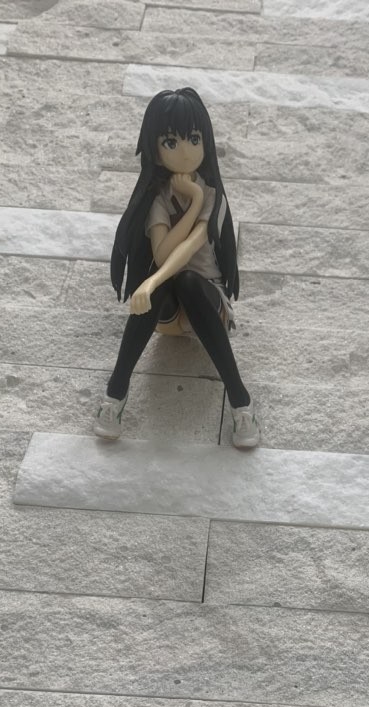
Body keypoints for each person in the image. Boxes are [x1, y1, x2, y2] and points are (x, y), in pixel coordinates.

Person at [95, 86, 261, 448]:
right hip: (167, 315)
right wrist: (152, 284)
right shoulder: (156, 197)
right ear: (154, 148)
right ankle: (115, 393)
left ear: (206, 143)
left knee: (185, 279)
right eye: (171, 142)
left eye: (194, 139)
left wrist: (197, 199)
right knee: (171, 281)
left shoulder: (212, 195)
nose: (185, 152)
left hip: (207, 305)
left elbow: (188, 249)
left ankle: (241, 401)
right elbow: (164, 251)